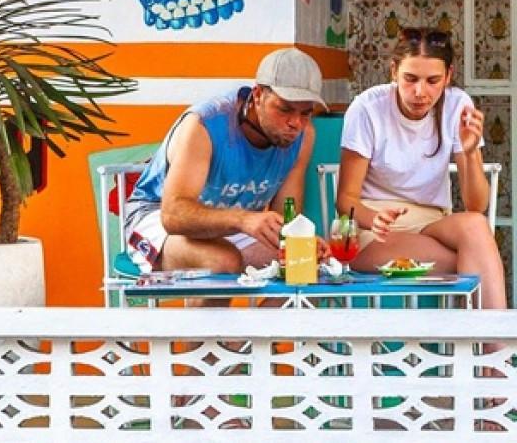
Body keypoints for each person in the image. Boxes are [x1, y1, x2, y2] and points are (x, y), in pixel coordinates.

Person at [336, 28, 506, 309]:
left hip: (432, 222)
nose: (420, 92)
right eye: (410, 79)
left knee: (476, 226)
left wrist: (470, 151)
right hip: (376, 230)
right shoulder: (367, 107)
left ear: (448, 76)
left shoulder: (457, 104)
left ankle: (487, 337)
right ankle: (491, 337)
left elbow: (476, 206)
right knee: (476, 263)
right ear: (394, 71)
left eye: (433, 81)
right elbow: (345, 201)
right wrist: (374, 219)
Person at [125, 48, 324, 274]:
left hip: (232, 226)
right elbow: (173, 215)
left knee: (304, 261)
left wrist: (300, 240)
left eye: (306, 113)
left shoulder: (304, 135)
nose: (295, 123)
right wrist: (243, 220)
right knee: (222, 261)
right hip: (156, 217)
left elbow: (285, 219)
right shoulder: (205, 124)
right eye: (285, 109)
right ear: (258, 95)